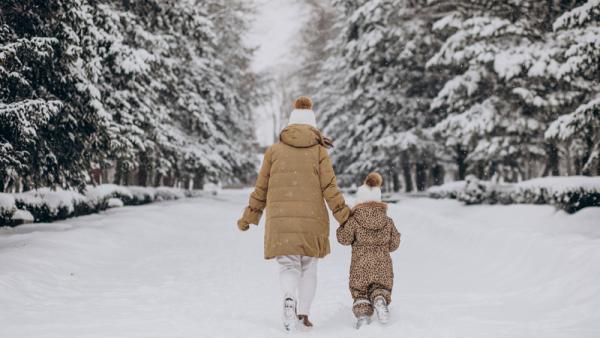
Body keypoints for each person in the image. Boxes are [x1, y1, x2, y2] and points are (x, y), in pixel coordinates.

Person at [237, 96, 350, 332]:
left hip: (280, 218)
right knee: (309, 266)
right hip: (312, 221)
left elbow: (262, 188)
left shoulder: (273, 151)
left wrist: (249, 217)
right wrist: (345, 217)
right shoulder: (320, 151)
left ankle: (289, 296)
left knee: (289, 266)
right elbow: (330, 188)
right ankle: (303, 314)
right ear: (312, 124)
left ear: (290, 124)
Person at [336, 172, 401, 329]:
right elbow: (394, 244)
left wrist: (342, 225)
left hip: (360, 266)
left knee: (360, 293)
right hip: (383, 266)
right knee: (381, 288)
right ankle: (379, 299)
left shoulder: (354, 220)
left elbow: (343, 239)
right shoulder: (387, 221)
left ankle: (363, 316)